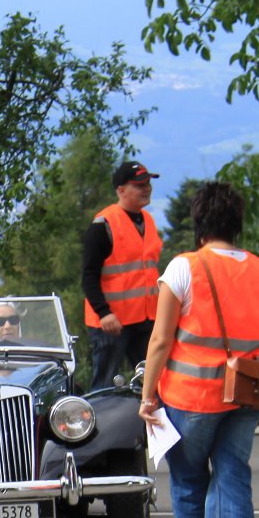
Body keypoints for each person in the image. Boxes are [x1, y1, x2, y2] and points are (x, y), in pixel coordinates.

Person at [138, 181, 259, 518]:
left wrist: (147, 396)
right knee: (233, 475)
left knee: (188, 481)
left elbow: (161, 340)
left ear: (199, 224)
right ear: (237, 224)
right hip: (247, 392)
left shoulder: (185, 267)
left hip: (193, 398)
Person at [83, 161, 163, 389]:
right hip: (111, 323)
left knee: (152, 383)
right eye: (139, 185)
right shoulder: (103, 225)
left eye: (148, 184)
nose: (146, 189)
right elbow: (89, 275)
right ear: (121, 190)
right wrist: (104, 313)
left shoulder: (148, 221)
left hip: (145, 319)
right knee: (105, 385)